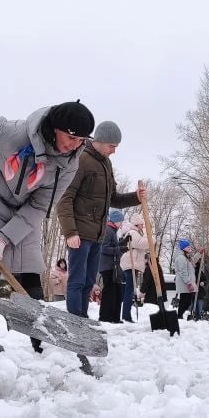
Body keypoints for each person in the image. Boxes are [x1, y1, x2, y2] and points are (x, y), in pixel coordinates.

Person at [0, 101, 94, 351]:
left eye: (81, 140)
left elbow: (40, 206)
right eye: (71, 137)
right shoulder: (14, 132)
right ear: (54, 128)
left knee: (30, 269)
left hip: (25, 208)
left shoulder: (69, 165)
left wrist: (5, 238)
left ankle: (42, 342)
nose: (75, 145)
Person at [56, 121, 145, 318]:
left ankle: (82, 319)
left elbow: (114, 199)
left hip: (97, 235)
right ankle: (75, 322)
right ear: (100, 140)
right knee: (77, 280)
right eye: (112, 146)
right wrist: (70, 232)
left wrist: (135, 197)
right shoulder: (80, 160)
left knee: (89, 281)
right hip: (79, 234)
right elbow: (64, 198)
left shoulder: (106, 164)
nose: (114, 151)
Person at [97, 209, 126, 322]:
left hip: (112, 267)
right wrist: (120, 249)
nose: (122, 223)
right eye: (121, 221)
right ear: (116, 221)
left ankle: (114, 317)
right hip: (108, 267)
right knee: (110, 292)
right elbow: (104, 248)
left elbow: (113, 246)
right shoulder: (108, 231)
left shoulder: (112, 231)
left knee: (117, 292)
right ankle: (106, 317)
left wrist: (122, 243)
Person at [118, 212, 148, 322]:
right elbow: (140, 244)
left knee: (130, 290)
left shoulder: (136, 232)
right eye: (141, 224)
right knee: (129, 290)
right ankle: (126, 315)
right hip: (130, 264)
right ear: (137, 224)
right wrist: (150, 238)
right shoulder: (133, 232)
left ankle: (126, 314)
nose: (142, 225)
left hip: (132, 264)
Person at [172, 239, 200, 319]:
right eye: (188, 247)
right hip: (184, 283)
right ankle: (179, 316)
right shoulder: (181, 258)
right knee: (184, 301)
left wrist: (199, 253)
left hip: (187, 282)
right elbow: (183, 271)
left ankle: (180, 316)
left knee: (187, 301)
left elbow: (193, 261)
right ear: (183, 248)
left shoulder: (186, 257)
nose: (190, 248)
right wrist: (188, 283)